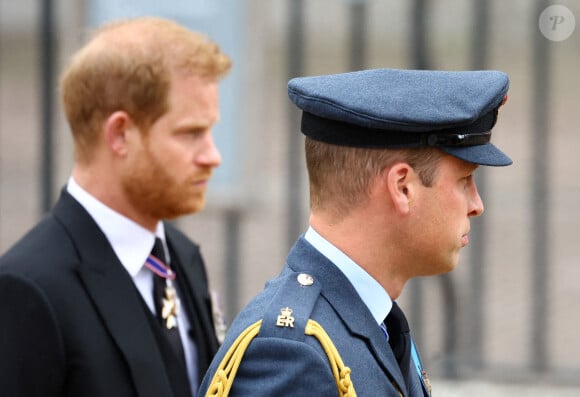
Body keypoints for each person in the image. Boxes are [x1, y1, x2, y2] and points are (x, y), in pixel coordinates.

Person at [199, 68, 512, 397]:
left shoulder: (374, 322)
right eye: (464, 180)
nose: (477, 205)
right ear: (402, 187)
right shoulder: (293, 354)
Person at [0, 17, 231, 397]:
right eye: (191, 133)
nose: (212, 156)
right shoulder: (30, 289)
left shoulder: (181, 257)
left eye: (211, 131)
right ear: (120, 134)